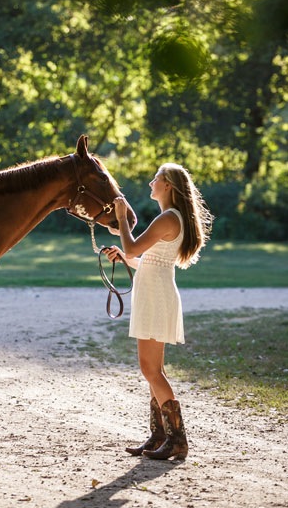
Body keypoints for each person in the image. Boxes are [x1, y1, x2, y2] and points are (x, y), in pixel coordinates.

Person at [102, 162, 213, 461]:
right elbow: (147, 260)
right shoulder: (170, 218)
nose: (151, 181)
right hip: (155, 293)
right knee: (154, 370)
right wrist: (123, 256)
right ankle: (160, 435)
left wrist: (122, 218)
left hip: (156, 297)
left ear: (168, 186)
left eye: (157, 178)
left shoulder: (168, 218)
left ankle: (177, 439)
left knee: (150, 369)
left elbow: (134, 247)